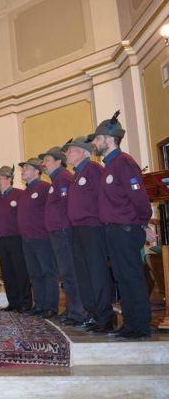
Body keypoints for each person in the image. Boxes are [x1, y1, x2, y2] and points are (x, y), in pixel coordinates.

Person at [89, 111, 154, 339]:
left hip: (125, 230)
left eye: (97, 139)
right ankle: (130, 323)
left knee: (131, 277)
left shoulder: (123, 162)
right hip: (114, 231)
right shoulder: (110, 165)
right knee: (122, 277)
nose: (94, 144)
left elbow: (140, 199)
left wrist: (143, 224)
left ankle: (139, 326)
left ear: (109, 139)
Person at [63, 136, 115, 332]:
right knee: (84, 273)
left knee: (97, 272)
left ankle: (105, 316)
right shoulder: (77, 174)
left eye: (71, 150)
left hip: (93, 228)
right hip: (78, 229)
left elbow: (103, 198)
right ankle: (93, 313)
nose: (67, 154)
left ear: (84, 153)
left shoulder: (93, 169)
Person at [39, 147, 84, 325]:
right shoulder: (56, 179)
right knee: (65, 274)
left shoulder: (63, 177)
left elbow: (67, 206)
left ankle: (77, 313)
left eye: (48, 160)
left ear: (58, 161)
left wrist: (63, 229)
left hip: (63, 232)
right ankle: (71, 310)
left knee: (70, 273)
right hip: (58, 232)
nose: (44, 164)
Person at [17, 158, 59, 318]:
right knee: (35, 273)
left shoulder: (44, 188)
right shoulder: (25, 192)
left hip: (42, 238)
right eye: (23, 168)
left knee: (48, 272)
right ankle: (39, 304)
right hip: (27, 239)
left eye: (26, 168)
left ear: (37, 171)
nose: (23, 171)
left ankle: (51, 307)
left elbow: (51, 212)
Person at [0, 165, 32, 313]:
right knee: (7, 272)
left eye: (0, 177)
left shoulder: (20, 194)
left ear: (9, 179)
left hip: (16, 238)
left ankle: (25, 303)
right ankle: (13, 302)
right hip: (1, 239)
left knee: (20, 271)